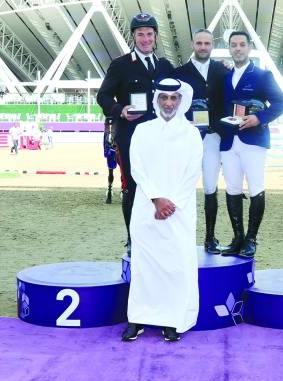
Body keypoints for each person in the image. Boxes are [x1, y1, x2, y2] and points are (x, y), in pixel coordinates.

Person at [122, 78, 203, 343]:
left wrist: (172, 203)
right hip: (147, 207)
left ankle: (173, 320)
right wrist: (157, 198)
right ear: (156, 100)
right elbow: (137, 169)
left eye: (174, 98)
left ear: (181, 101)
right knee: (145, 265)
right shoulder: (143, 130)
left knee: (176, 264)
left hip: (179, 210)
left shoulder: (191, 133)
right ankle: (139, 318)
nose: (169, 103)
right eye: (164, 98)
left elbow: (192, 173)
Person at [96, 13, 175, 254]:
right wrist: (120, 110)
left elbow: (183, 88)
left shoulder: (164, 66)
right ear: (133, 37)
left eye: (149, 34)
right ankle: (133, 239)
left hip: (162, 138)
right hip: (131, 137)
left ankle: (160, 236)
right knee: (132, 186)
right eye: (140, 34)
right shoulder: (120, 65)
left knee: (161, 186)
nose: (145, 39)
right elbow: (103, 96)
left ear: (156, 37)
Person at [217, 31, 283, 258]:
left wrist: (260, 118)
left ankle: (251, 239)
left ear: (249, 48)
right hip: (228, 140)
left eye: (241, 45)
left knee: (255, 187)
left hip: (254, 140)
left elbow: (281, 102)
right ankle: (237, 237)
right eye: (233, 45)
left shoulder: (262, 75)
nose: (237, 48)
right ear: (229, 48)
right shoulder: (223, 75)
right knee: (232, 188)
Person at [174, 28, 231, 254]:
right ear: (192, 44)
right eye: (199, 43)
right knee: (182, 188)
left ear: (212, 46)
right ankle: (180, 237)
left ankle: (210, 237)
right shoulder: (179, 73)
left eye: (207, 43)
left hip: (213, 137)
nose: (203, 47)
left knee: (210, 187)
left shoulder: (223, 70)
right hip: (187, 137)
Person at [103, 118, 118, 204]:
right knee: (110, 171)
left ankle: (124, 189)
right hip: (110, 147)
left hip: (119, 141)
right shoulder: (107, 119)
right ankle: (109, 189)